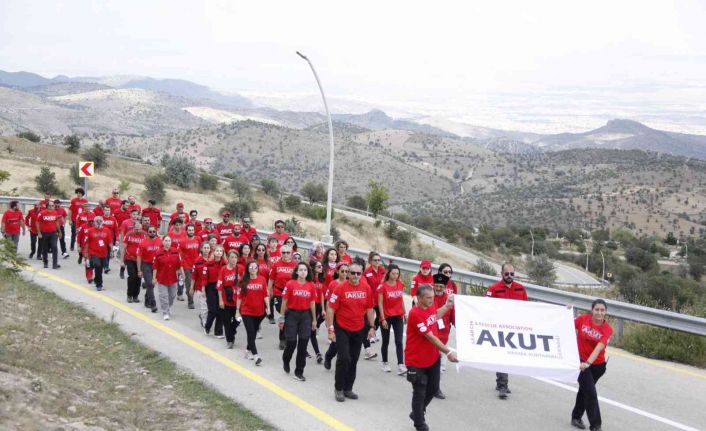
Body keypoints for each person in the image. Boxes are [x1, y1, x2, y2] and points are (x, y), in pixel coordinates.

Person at [405, 284, 458, 431]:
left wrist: (447, 306)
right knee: (419, 392)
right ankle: (419, 423)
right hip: (416, 361)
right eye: (428, 298)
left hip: (432, 358)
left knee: (433, 388)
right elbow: (431, 337)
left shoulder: (431, 305)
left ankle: (416, 413)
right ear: (420, 298)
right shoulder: (415, 314)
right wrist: (448, 352)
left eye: (433, 297)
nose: (431, 300)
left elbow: (435, 316)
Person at [326, 262, 376, 402]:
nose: (355, 276)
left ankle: (348, 388)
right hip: (342, 327)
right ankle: (339, 388)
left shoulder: (366, 288)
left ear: (361, 274)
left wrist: (371, 327)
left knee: (353, 359)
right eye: (352, 273)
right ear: (347, 273)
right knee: (343, 358)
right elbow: (331, 308)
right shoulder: (340, 288)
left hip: (359, 328)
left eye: (358, 273)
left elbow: (369, 308)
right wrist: (330, 329)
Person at [486, 262, 527, 399]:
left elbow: (527, 309)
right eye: (507, 274)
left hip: (515, 328)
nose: (509, 276)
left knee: (509, 356)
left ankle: (500, 382)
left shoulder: (521, 289)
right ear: (501, 274)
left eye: (512, 274)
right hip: (499, 328)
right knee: (502, 355)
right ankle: (503, 385)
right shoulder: (493, 289)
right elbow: (486, 308)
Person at [571, 299, 613, 431]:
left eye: (602, 310)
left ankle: (576, 417)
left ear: (605, 312)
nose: (599, 313)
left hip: (597, 366)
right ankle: (595, 426)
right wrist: (565, 312)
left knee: (585, 390)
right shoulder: (583, 319)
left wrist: (588, 363)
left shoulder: (607, 329)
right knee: (590, 393)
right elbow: (565, 324)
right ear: (592, 310)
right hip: (581, 362)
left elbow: (599, 347)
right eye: (597, 309)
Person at [279, 262, 317, 381]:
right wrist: (281, 318)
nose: (302, 272)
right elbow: (284, 301)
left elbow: (312, 303)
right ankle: (286, 358)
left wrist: (314, 319)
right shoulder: (290, 284)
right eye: (300, 270)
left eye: (305, 270)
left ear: (308, 272)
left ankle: (299, 371)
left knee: (303, 343)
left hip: (305, 316)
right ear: (296, 271)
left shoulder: (311, 285)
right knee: (291, 342)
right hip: (292, 315)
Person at [237, 260, 269, 365]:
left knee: (254, 332)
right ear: (248, 269)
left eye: (255, 267)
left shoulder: (262, 279)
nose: (253, 269)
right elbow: (239, 297)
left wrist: (268, 307)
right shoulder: (244, 281)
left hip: (259, 311)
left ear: (258, 269)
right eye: (251, 267)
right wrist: (237, 311)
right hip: (246, 311)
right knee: (251, 332)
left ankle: (247, 350)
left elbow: (265, 294)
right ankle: (256, 356)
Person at [378, 264, 407, 375]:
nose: (395, 276)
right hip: (387, 317)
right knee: (385, 341)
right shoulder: (383, 286)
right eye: (393, 273)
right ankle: (385, 363)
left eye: (397, 273)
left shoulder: (400, 284)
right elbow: (380, 304)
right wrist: (383, 318)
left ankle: (401, 364)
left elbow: (401, 300)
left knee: (399, 341)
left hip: (398, 316)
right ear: (388, 273)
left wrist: (405, 314)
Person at [268, 245, 297, 349]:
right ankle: (282, 339)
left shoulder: (295, 265)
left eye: (287, 252)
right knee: (282, 313)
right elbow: (271, 279)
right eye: (283, 252)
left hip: (291, 294)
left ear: (291, 253)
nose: (285, 254)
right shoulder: (276, 265)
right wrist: (268, 291)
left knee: (289, 316)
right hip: (278, 292)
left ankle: (286, 338)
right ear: (281, 253)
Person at [323, 262, 349, 370]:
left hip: (346, 316)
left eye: (346, 271)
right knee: (336, 341)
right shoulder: (333, 284)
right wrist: (328, 319)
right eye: (342, 271)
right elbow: (328, 302)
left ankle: (342, 363)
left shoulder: (350, 283)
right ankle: (328, 356)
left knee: (344, 342)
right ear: (337, 271)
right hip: (335, 316)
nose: (344, 273)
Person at [432, 273, 453, 399]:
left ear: (445, 287)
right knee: (429, 365)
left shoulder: (449, 300)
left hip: (444, 337)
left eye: (441, 286)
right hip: (430, 337)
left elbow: (454, 317)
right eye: (436, 286)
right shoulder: (428, 297)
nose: (438, 288)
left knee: (441, 366)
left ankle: (436, 388)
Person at [153, 235, 184, 320]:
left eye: (169, 241)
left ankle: (168, 307)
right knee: (164, 296)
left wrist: (183, 275)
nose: (167, 242)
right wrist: (154, 278)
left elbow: (179, 265)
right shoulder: (158, 253)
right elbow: (155, 267)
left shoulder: (175, 251)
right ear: (163, 242)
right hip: (162, 279)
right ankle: (165, 312)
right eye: (166, 241)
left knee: (172, 295)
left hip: (173, 278)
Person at [83, 215, 113, 291]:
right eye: (97, 221)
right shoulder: (90, 231)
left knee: (99, 269)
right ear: (94, 222)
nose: (98, 222)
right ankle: (99, 284)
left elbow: (110, 242)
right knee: (98, 265)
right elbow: (86, 243)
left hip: (104, 253)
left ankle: (97, 279)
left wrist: (111, 251)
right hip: (93, 253)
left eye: (100, 220)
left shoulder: (107, 231)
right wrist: (86, 252)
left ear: (103, 222)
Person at [217, 250, 240, 348]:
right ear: (228, 258)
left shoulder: (241, 269)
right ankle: (229, 341)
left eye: (235, 257)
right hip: (226, 299)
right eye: (232, 257)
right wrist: (220, 300)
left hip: (238, 301)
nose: (234, 259)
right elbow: (219, 286)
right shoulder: (223, 269)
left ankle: (232, 331)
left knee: (238, 320)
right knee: (226, 321)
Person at [136, 225, 162, 312]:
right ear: (147, 232)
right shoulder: (143, 243)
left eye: (154, 231)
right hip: (146, 264)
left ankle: (147, 299)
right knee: (150, 284)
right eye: (150, 231)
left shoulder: (160, 241)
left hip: (157, 265)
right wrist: (139, 270)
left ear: (156, 232)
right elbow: (139, 257)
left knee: (152, 284)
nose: (152, 233)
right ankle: (153, 304)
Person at [203, 244, 226, 338]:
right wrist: (203, 290)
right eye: (217, 251)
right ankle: (207, 326)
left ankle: (218, 331)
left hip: (222, 288)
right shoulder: (208, 264)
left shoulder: (225, 264)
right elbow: (204, 278)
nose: (219, 253)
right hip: (211, 287)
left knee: (221, 310)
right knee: (212, 310)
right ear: (214, 252)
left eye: (221, 251)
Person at [364, 251, 386, 342]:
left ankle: (374, 330)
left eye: (378, 260)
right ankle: (370, 335)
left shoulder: (383, 270)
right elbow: (364, 286)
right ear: (370, 261)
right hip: (370, 298)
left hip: (380, 299)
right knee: (370, 318)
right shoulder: (367, 272)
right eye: (375, 260)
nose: (377, 262)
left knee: (380, 316)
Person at [122, 221, 146, 303]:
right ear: (133, 228)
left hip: (140, 260)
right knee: (132, 277)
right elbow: (124, 248)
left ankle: (136, 295)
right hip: (130, 258)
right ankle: (129, 295)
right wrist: (122, 261)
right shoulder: (129, 235)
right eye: (136, 229)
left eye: (139, 229)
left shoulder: (144, 235)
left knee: (138, 278)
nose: (138, 231)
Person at [179, 223, 201, 308]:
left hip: (197, 265)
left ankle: (189, 293)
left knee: (195, 284)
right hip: (187, 266)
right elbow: (180, 255)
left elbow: (200, 251)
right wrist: (181, 267)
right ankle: (190, 302)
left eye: (192, 230)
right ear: (186, 231)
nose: (191, 231)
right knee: (189, 284)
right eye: (189, 230)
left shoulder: (198, 239)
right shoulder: (182, 241)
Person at [36, 200, 63, 269]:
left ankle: (55, 264)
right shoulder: (42, 213)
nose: (52, 207)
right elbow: (37, 222)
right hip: (44, 233)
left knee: (54, 247)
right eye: (50, 205)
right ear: (47, 206)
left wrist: (59, 231)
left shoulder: (55, 213)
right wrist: (39, 233)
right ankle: (45, 262)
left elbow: (57, 222)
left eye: (52, 205)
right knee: (45, 248)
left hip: (53, 233)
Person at [190, 242, 211, 327]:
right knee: (204, 307)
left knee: (211, 307)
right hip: (199, 288)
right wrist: (192, 287)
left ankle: (203, 316)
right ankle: (205, 323)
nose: (206, 250)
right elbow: (194, 276)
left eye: (208, 248)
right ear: (201, 249)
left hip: (210, 287)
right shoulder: (197, 261)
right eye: (204, 248)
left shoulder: (212, 259)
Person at [309, 260, 326, 363]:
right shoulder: (310, 279)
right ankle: (318, 353)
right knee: (311, 331)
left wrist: (323, 309)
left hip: (318, 305)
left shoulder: (321, 279)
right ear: (313, 267)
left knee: (313, 329)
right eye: (319, 266)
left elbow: (322, 294)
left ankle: (316, 353)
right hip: (310, 306)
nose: (321, 268)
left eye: (321, 266)